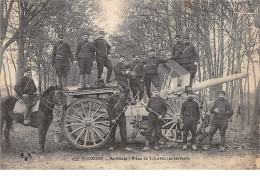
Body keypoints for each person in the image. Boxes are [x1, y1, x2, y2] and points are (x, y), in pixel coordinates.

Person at [107, 86, 133, 151]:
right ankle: (111, 146)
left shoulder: (122, 98)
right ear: (113, 91)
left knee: (123, 132)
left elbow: (125, 105)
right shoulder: (110, 98)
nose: (117, 91)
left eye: (118, 90)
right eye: (115, 90)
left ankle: (125, 146)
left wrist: (125, 108)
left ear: (119, 91)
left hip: (122, 116)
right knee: (112, 132)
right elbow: (109, 109)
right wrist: (112, 118)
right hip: (114, 117)